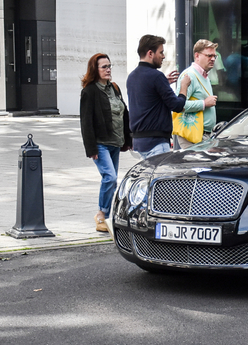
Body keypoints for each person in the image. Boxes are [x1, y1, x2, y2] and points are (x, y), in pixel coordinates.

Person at [79, 53, 132, 232]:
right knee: (109, 177)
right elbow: (86, 122)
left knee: (112, 180)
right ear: (95, 69)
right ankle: (101, 214)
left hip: (115, 141)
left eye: (109, 66)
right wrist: (91, 148)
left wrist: (128, 138)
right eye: (104, 67)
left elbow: (124, 113)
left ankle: (107, 218)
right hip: (100, 142)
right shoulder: (89, 91)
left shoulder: (114, 88)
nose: (108, 69)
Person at [127, 34, 191, 159]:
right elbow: (177, 105)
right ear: (150, 53)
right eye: (161, 52)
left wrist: (163, 84)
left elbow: (148, 97)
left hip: (139, 143)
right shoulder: (156, 76)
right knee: (161, 178)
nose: (163, 56)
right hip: (156, 143)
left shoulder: (132, 77)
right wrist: (184, 86)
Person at [174, 39, 219, 149]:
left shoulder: (204, 75)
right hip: (193, 136)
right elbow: (179, 105)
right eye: (209, 56)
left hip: (204, 135)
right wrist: (204, 103)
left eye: (214, 56)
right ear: (197, 56)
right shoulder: (190, 75)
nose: (213, 59)